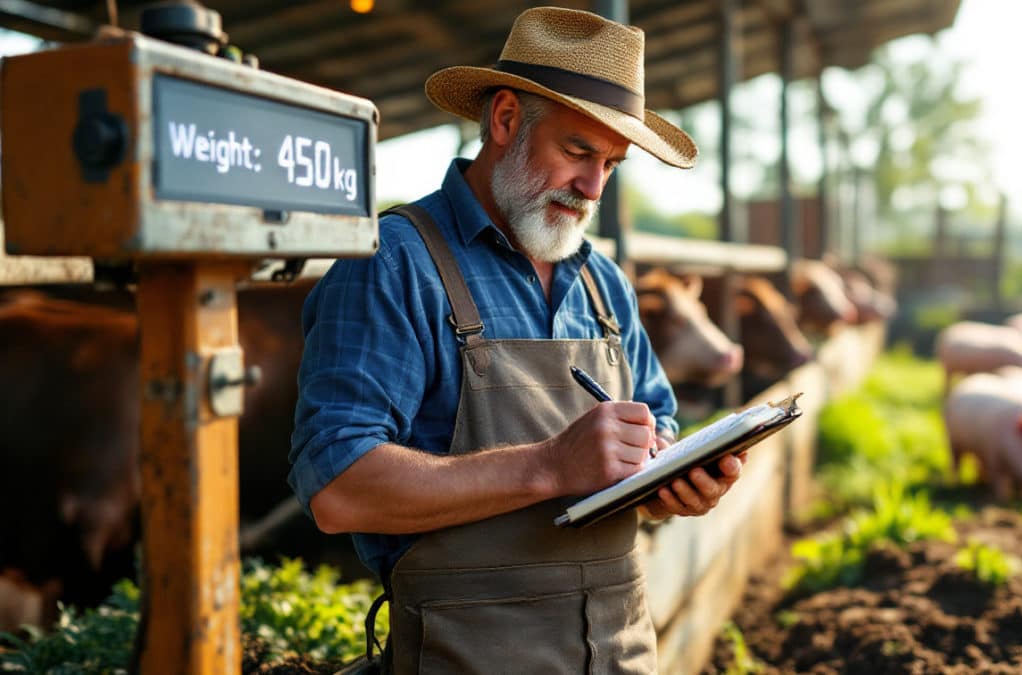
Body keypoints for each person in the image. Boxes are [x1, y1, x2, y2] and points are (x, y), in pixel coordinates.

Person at [288, 7, 746, 673]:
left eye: (611, 163)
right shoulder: (398, 264)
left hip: (624, 651)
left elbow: (660, 421)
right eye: (578, 151)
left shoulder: (604, 285)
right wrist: (551, 465)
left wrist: (671, 477)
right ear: (504, 119)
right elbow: (338, 485)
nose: (594, 188)